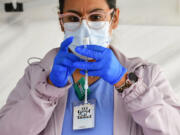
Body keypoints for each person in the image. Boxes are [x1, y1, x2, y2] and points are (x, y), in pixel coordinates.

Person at [0, 0, 180, 134]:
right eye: (72, 18)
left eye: (95, 17)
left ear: (114, 18)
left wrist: (126, 83)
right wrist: (48, 88)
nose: (84, 27)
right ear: (61, 22)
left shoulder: (147, 75)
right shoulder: (36, 76)